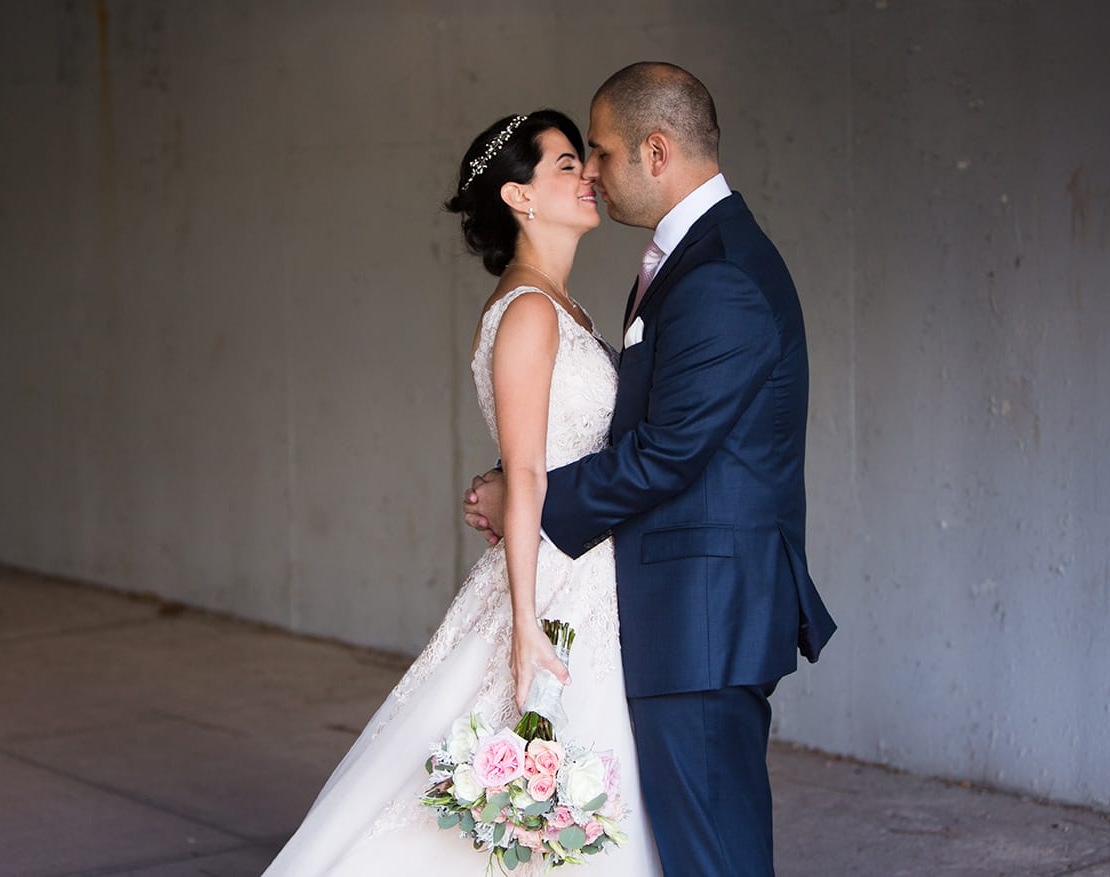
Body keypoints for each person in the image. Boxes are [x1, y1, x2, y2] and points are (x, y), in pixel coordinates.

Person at [260, 109, 662, 875]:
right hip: (553, 579)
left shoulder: (563, 305)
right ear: (519, 197)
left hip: (586, 568)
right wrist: (524, 623)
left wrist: (506, 486)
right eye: (566, 166)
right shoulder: (529, 312)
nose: (589, 178)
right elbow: (531, 469)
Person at [464, 62, 838, 876]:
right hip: (678, 610)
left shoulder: (720, 273)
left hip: (701, 615)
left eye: (598, 153)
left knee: (713, 856)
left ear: (657, 152)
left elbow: (667, 451)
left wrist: (528, 497)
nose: (591, 171)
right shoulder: (694, 257)